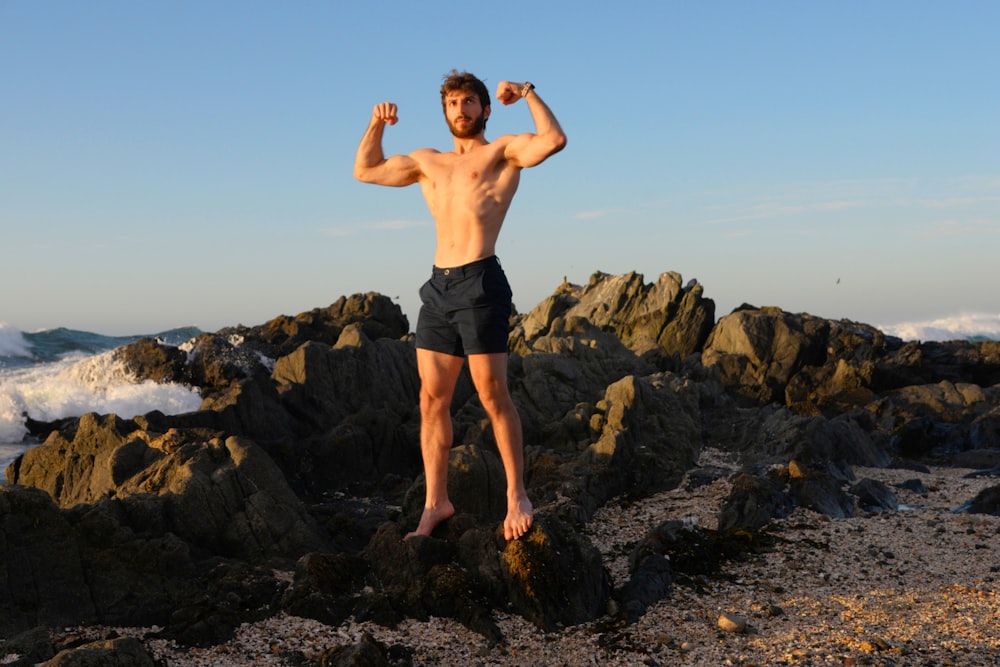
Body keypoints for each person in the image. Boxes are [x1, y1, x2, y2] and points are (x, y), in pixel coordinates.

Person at [354, 70, 566, 541]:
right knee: (432, 400)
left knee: (493, 394)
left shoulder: (503, 151)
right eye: (453, 103)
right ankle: (436, 503)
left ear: (485, 109)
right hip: (438, 288)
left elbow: (553, 140)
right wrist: (376, 124)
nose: (461, 110)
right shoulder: (428, 161)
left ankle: (516, 495)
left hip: (481, 282)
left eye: (470, 102)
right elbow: (365, 170)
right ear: (445, 112)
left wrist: (528, 93)